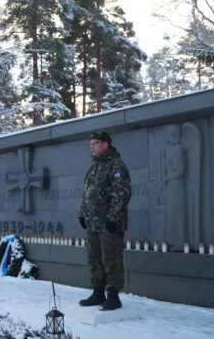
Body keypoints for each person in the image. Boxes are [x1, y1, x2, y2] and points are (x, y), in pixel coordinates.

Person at [77, 130, 131, 310]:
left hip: (109, 223)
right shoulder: (94, 167)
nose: (91, 147)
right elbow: (86, 194)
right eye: (90, 144)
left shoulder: (116, 166)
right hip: (93, 223)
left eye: (95, 144)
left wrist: (113, 218)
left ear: (105, 144)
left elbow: (122, 194)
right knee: (94, 258)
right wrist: (82, 213)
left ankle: (113, 296)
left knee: (111, 258)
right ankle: (98, 292)